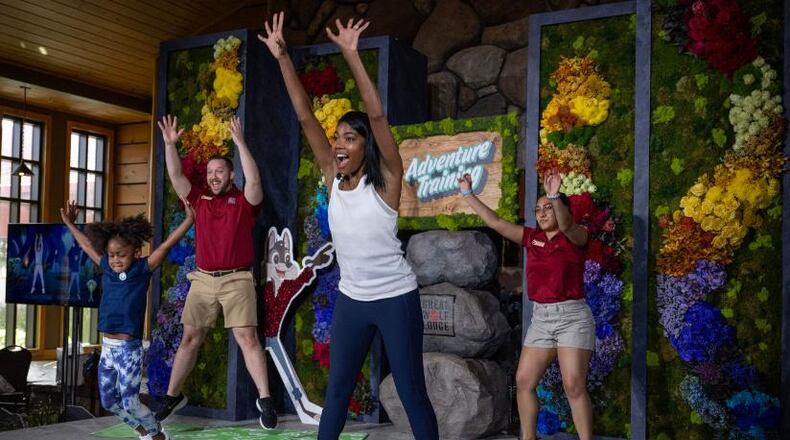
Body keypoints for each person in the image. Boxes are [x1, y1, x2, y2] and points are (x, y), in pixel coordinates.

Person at [260, 12, 439, 439]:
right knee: (337, 391)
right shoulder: (331, 175)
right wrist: (283, 57)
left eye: (349, 138)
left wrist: (352, 56)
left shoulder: (388, 181)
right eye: (337, 136)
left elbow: (378, 118)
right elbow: (306, 118)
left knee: (412, 391)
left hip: (396, 298)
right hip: (352, 300)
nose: (339, 143)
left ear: (365, 148)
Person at [154, 115, 277, 429]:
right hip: (203, 279)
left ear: (230, 174)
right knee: (189, 338)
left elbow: (255, 182)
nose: (213, 176)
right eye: (209, 172)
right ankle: (171, 396)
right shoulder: (199, 199)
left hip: (237, 278)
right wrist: (170, 145)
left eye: (219, 171)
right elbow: (175, 174)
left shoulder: (244, 201)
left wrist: (239, 142)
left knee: (247, 338)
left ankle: (265, 401)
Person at [458, 171, 595, 440]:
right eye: (538, 210)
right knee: (523, 382)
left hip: (572, 317)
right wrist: (468, 194)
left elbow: (567, 226)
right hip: (541, 318)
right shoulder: (532, 239)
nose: (542, 213)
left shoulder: (576, 236)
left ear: (562, 208)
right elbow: (496, 222)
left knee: (573, 385)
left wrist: (554, 195)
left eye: (549, 208)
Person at [60, 201, 194, 440]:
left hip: (129, 351)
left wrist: (189, 220)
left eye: (121, 254)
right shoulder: (107, 268)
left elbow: (165, 246)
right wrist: (69, 223)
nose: (115, 260)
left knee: (131, 402)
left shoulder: (142, 269)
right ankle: (144, 432)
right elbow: (85, 244)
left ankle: (157, 433)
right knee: (109, 401)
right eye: (111, 255)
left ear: (136, 252)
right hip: (108, 348)